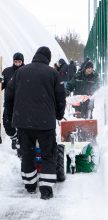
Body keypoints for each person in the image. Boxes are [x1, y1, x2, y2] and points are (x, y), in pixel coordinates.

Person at [5, 46, 66, 200]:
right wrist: (59, 115)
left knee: (27, 153)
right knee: (48, 154)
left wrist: (11, 117)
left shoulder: (20, 72)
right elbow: (60, 97)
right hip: (46, 124)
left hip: (23, 122)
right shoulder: (53, 73)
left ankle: (30, 185)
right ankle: (45, 189)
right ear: (48, 58)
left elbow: (9, 96)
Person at [2, 52, 24, 152]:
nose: (17, 63)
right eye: (16, 61)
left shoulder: (26, 71)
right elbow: (2, 86)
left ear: (22, 61)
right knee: (7, 124)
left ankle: (21, 143)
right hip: (9, 103)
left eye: (19, 62)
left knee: (21, 126)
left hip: (22, 104)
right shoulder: (7, 71)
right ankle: (14, 138)